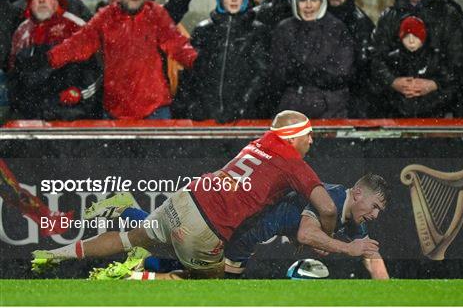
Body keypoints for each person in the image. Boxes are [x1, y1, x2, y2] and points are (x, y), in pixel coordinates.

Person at [32, 110, 337, 279]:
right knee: (217, 280)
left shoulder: (260, 141)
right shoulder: (295, 165)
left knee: (130, 239)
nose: (312, 139)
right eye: (308, 134)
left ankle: (54, 253)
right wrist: (327, 240)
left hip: (188, 196)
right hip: (206, 225)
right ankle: (132, 279)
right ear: (293, 138)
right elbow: (328, 209)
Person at [80, 174, 389, 280]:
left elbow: (371, 254)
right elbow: (306, 233)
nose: (375, 215)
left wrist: (387, 297)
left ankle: (130, 225)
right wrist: (346, 248)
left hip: (246, 235)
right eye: (375, 206)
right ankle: (135, 274)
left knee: (173, 247)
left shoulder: (351, 217)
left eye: (380, 211)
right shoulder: (333, 197)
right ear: (358, 193)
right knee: (200, 277)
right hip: (240, 230)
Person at [39, 0, 198, 119]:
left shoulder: (156, 14)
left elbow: (177, 44)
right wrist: (49, 58)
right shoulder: (106, 17)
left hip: (155, 108)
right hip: (116, 109)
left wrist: (197, 62)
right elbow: (79, 43)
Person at [371, 0, 463, 117]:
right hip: (395, 110)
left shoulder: (449, 15)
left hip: (439, 108)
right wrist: (393, 82)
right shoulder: (389, 17)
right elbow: (375, 57)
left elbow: (459, 61)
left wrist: (434, 84)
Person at [7, 0, 99, 120]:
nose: (42, 0)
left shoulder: (75, 27)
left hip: (72, 114)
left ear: (58, 0)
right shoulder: (21, 32)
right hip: (32, 116)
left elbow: (95, 71)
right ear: (29, 2)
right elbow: (14, 78)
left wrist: (79, 93)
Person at [180, 0, 269, 122]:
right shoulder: (203, 30)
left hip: (244, 116)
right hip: (206, 114)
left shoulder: (257, 31)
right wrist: (195, 104)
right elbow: (192, 72)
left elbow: (261, 74)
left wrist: (242, 106)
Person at [271, 0, 354, 118]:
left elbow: (342, 71)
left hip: (331, 108)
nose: (308, 5)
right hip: (292, 107)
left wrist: (309, 73)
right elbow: (279, 70)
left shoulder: (337, 28)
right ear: (295, 2)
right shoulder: (284, 29)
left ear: (322, 2)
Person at [371, 16, 456, 117]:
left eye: (416, 36)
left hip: (431, 117)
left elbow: (450, 85)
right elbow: (378, 87)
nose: (411, 41)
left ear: (423, 37)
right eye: (406, 37)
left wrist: (434, 85)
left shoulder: (435, 58)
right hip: (397, 118)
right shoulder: (391, 60)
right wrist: (392, 83)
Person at [324, 0, 375, 118]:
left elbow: (363, 67)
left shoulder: (361, 23)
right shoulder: (316, 17)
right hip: (319, 90)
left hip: (351, 92)